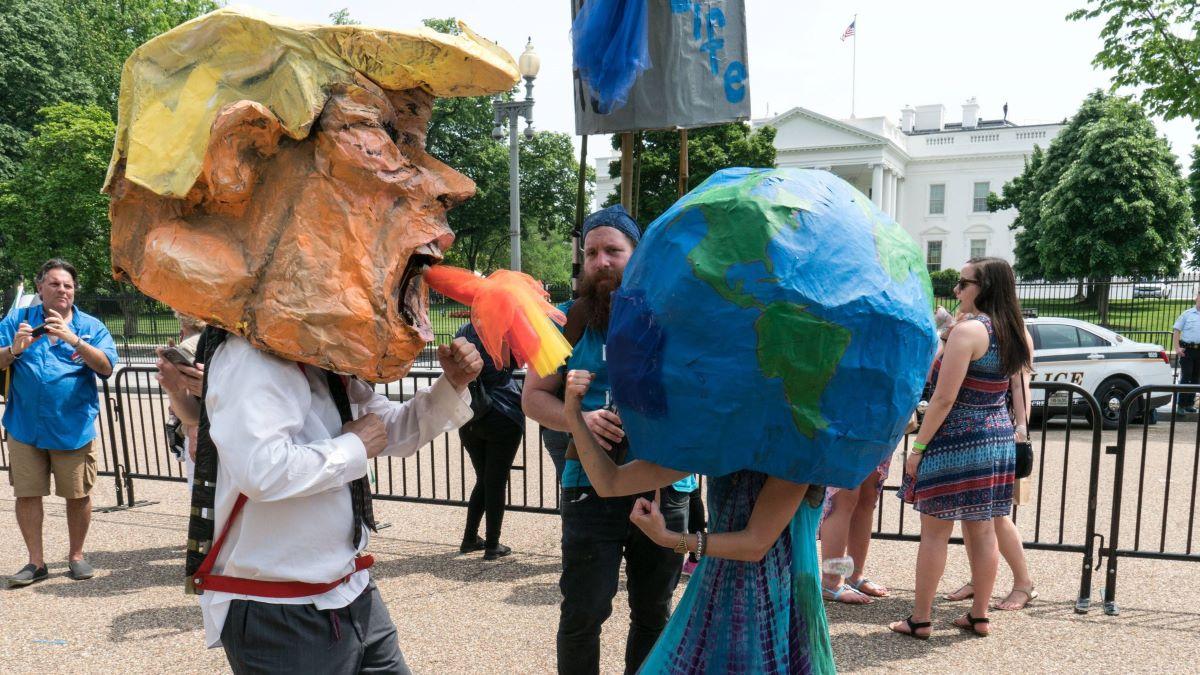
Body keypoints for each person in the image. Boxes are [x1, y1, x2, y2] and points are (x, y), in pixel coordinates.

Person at [562, 369, 835, 673]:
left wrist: (670, 539)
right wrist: (574, 414)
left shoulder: (798, 447)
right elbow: (609, 482)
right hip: (720, 595)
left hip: (778, 608)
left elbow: (755, 543)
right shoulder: (725, 441)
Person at [522, 205, 694, 675]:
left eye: (613, 251)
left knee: (654, 611)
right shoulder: (562, 321)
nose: (601, 261)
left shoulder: (671, 318)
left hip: (664, 486)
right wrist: (580, 418)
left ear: (636, 256)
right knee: (583, 611)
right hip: (589, 486)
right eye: (592, 252)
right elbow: (533, 398)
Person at [891, 257, 1033, 638]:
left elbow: (943, 399)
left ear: (983, 288)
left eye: (963, 283)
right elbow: (1018, 392)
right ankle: (979, 615)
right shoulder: (1016, 332)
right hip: (997, 438)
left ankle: (920, 618)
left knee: (935, 533)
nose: (955, 290)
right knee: (983, 529)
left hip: (956, 438)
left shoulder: (968, 332)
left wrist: (918, 447)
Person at [0, 259, 118, 587]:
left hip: (73, 428)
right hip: (25, 426)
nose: (62, 290)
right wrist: (13, 349)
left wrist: (74, 340)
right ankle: (36, 562)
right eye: (54, 284)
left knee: (77, 494)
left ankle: (76, 556)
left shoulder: (90, 326)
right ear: (40, 288)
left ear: (74, 290)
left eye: (67, 285)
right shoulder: (18, 321)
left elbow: (107, 367)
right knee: (27, 494)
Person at [455, 322, 524, 560]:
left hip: (469, 413)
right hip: (503, 410)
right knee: (495, 481)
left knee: (484, 479)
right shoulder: (504, 330)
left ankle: (470, 537)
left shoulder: (463, 331)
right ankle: (492, 543)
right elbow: (509, 365)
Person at [1172, 289, 1200, 414]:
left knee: (1196, 378)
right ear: (1196, 299)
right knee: (1186, 376)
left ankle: (1189, 403)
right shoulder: (1187, 314)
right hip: (1187, 350)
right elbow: (1176, 330)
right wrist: (1177, 348)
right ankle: (1181, 405)